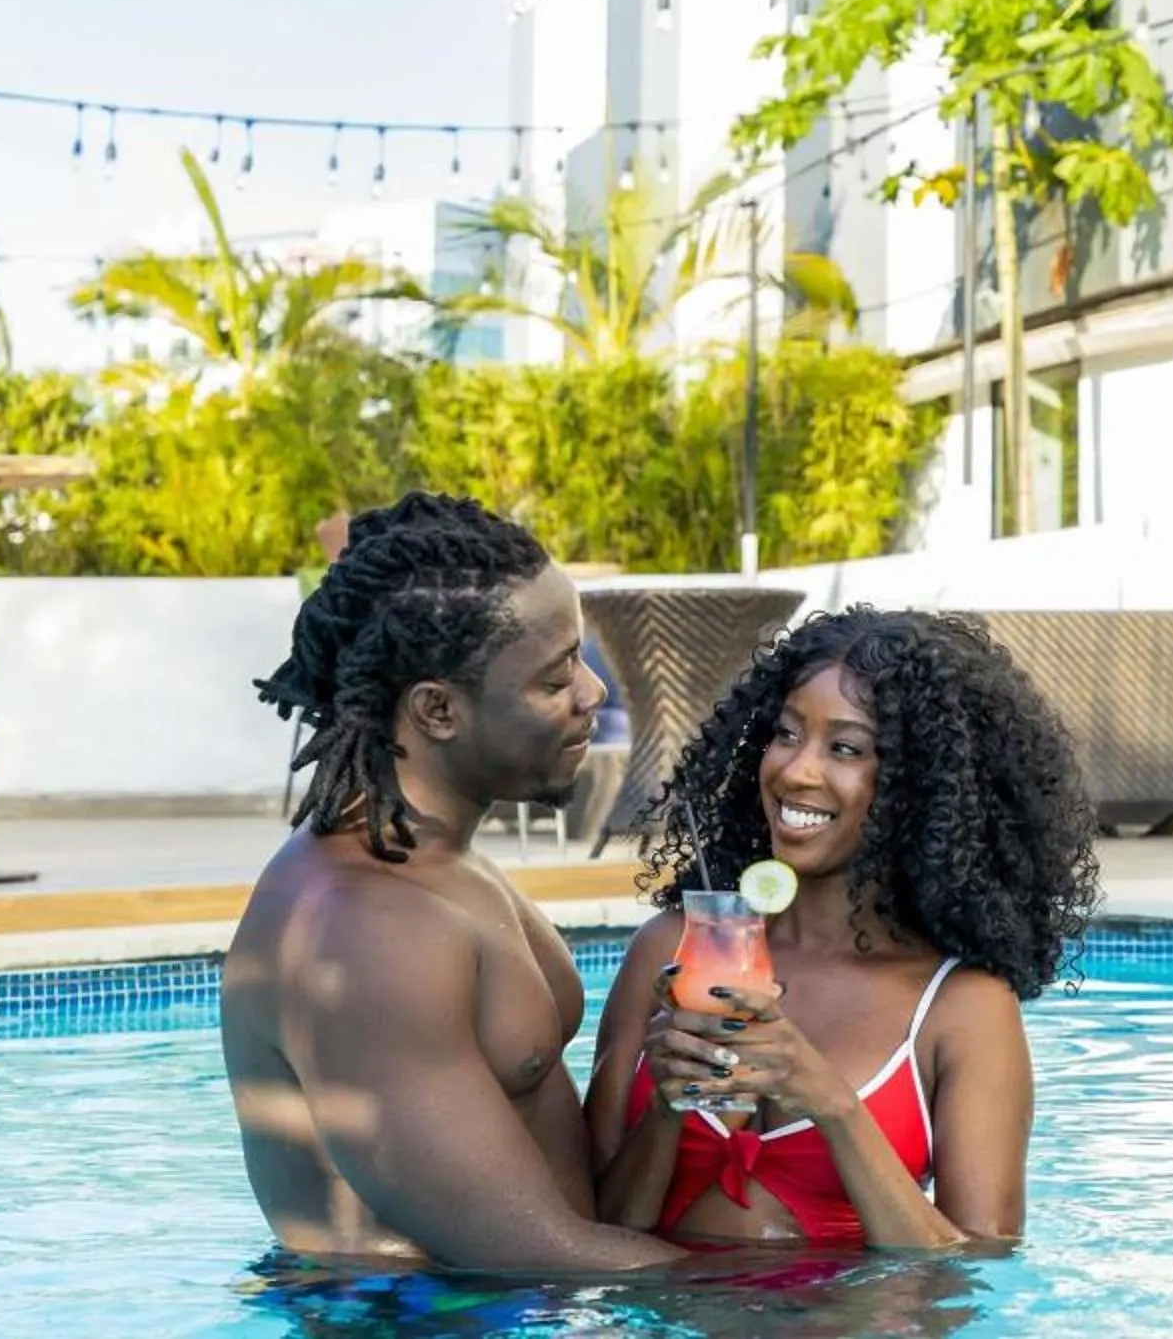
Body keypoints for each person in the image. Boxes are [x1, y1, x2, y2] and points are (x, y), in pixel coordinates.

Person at [221, 492, 680, 1277]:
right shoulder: (366, 933)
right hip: (417, 1321)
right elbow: (536, 1253)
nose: (592, 697)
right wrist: (826, 1300)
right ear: (436, 709)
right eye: (555, 678)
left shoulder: (441, 862)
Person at [585, 606, 1101, 1250]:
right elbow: (597, 1235)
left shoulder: (962, 1008)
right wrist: (666, 1108)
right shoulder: (673, 948)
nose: (797, 771)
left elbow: (978, 1264)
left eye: (846, 748)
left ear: (920, 788)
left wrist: (831, 1104)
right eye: (786, 733)